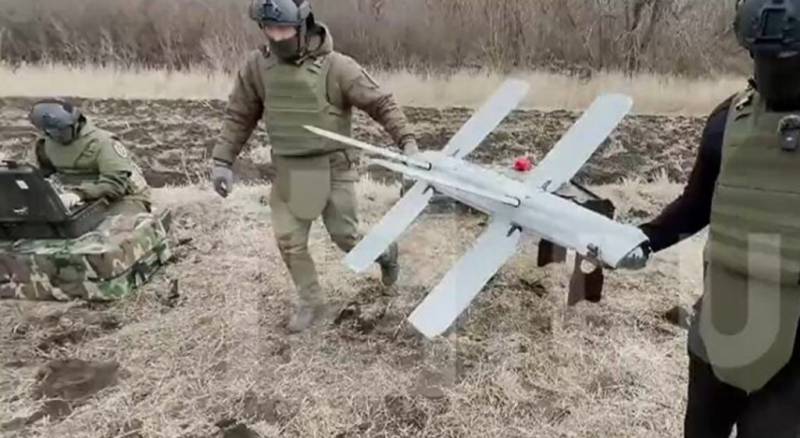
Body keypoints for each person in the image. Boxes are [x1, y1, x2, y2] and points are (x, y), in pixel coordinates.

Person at [620, 0, 800, 435]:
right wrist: (642, 238)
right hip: (724, 326)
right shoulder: (729, 121)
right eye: (763, 55)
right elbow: (697, 205)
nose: (773, 69)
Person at [210, 0, 420, 333]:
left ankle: (387, 254)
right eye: (270, 28)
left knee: (347, 237)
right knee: (288, 240)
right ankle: (311, 301)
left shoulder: (337, 67)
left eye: (285, 29)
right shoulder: (256, 68)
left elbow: (381, 103)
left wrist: (407, 142)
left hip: (333, 167)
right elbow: (239, 114)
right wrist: (223, 160)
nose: (277, 37)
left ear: (303, 25)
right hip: (290, 170)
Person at [28, 98, 152, 216]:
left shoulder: (104, 143)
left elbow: (115, 185)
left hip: (122, 197)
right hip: (75, 197)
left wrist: (78, 194)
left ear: (75, 125)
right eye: (49, 131)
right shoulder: (44, 144)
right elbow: (42, 176)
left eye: (60, 131)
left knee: (118, 230)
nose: (56, 135)